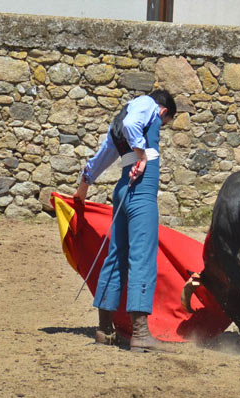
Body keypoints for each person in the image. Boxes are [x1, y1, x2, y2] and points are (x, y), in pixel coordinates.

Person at [74, 89, 176, 351]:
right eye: (163, 124)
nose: (160, 127)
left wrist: (85, 183)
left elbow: (104, 155)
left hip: (123, 189)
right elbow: (135, 126)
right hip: (141, 190)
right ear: (163, 112)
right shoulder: (147, 105)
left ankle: (105, 329)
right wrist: (142, 154)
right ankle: (140, 334)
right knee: (142, 256)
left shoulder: (119, 120)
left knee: (116, 254)